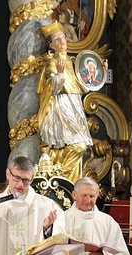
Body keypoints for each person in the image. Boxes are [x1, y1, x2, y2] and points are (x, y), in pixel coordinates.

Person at [37, 21, 94, 182]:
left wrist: (98, 73)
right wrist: (60, 74)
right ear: (52, 45)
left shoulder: (72, 61)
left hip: (74, 103)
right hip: (61, 106)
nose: (62, 42)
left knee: (79, 146)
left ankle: (71, 181)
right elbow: (52, 88)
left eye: (63, 38)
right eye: (57, 40)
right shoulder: (51, 63)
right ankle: (63, 179)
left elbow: (82, 86)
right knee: (77, 145)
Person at [64, 177, 130, 255]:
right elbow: (54, 254)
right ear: (74, 195)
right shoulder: (62, 219)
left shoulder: (108, 222)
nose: (88, 200)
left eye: (92, 196)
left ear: (97, 196)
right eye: (84, 195)